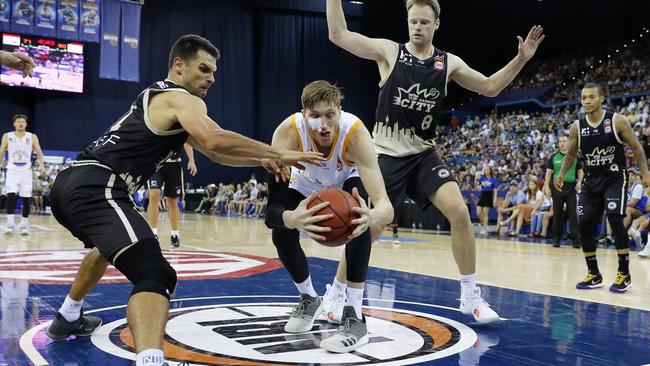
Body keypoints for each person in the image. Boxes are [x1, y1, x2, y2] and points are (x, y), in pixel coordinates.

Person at [44, 34, 322, 366]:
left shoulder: (166, 100)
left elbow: (218, 152)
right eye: (204, 69)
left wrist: (261, 159)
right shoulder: (182, 98)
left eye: (214, 72)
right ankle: (150, 361)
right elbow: (216, 140)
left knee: (110, 245)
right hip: (98, 187)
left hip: (74, 184)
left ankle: (68, 315)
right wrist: (277, 151)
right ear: (179, 65)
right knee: (155, 274)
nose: (211, 78)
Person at [326, 0, 544, 323]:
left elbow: (489, 86)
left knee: (459, 211)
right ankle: (336, 292)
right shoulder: (389, 52)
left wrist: (521, 59)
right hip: (385, 154)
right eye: (413, 21)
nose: (417, 27)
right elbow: (339, 34)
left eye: (424, 22)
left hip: (423, 155)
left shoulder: (448, 63)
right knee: (369, 227)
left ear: (436, 24)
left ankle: (470, 296)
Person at [264, 80, 393, 353]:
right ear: (303, 115)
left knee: (357, 218)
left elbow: (386, 208)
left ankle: (355, 318)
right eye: (315, 116)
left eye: (329, 115)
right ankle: (310, 298)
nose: (323, 124)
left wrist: (373, 215)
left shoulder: (356, 134)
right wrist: (291, 219)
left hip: (346, 177)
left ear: (339, 111)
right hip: (305, 183)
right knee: (281, 232)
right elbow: (272, 210)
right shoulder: (286, 133)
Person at [555, 83, 650, 293]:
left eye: (591, 97)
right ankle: (594, 274)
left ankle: (624, 274)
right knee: (585, 222)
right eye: (583, 98)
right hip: (591, 181)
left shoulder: (617, 120)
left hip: (615, 178)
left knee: (616, 219)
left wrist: (645, 174)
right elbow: (570, 155)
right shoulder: (577, 127)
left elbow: (636, 147)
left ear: (601, 98)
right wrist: (561, 173)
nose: (586, 101)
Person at [0, 114, 45, 235]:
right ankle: (10, 224)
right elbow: (2, 151)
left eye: (23, 122)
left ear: (26, 124)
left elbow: (39, 152)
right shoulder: (7, 136)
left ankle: (24, 225)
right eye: (18, 121)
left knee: (26, 198)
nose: (21, 123)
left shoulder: (32, 137)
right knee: (10, 196)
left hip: (26, 171)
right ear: (14, 124)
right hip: (12, 170)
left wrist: (42, 165)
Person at [146, 143, 197, 248]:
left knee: (172, 201)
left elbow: (187, 141)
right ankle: (153, 233)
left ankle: (175, 234)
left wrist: (191, 160)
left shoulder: (180, 126)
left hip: (174, 165)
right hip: (156, 163)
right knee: (154, 194)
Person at [544, 133, 583, 248]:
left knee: (573, 215)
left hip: (571, 188)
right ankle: (556, 240)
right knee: (557, 215)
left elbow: (581, 172)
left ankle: (576, 241)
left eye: (564, 141)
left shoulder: (575, 156)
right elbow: (548, 173)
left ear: (569, 142)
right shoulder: (553, 157)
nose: (562, 143)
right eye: (560, 141)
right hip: (557, 188)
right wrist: (546, 187)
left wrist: (580, 182)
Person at [475, 166, 498, 235]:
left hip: (489, 196)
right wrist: (476, 178)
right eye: (485, 170)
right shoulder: (482, 178)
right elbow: (476, 186)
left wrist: (495, 199)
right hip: (482, 195)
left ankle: (484, 229)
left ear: (490, 171)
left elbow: (495, 190)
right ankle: (486, 224)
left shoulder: (493, 179)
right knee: (478, 213)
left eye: (487, 169)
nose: (486, 171)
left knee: (485, 213)